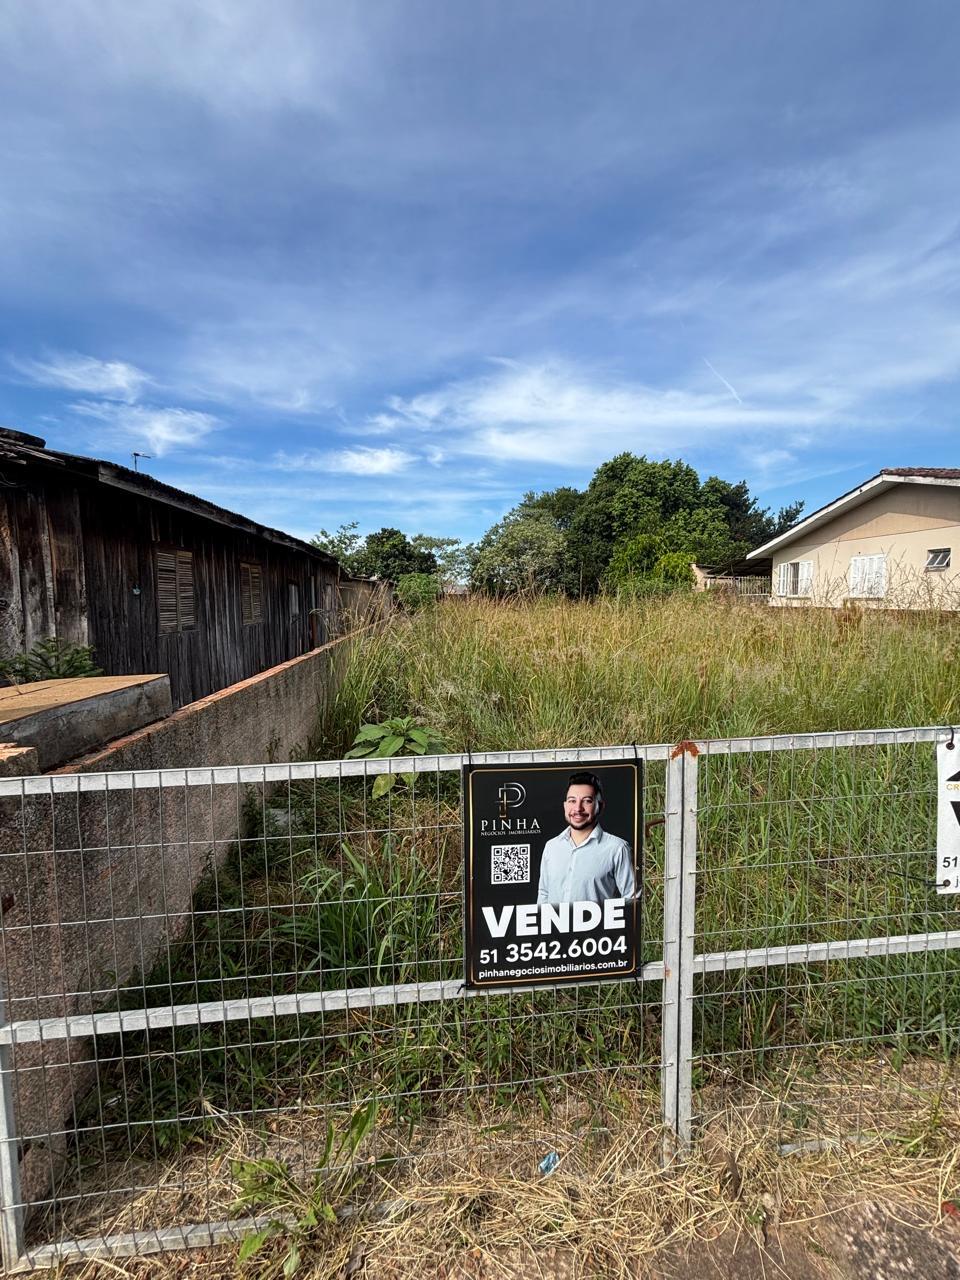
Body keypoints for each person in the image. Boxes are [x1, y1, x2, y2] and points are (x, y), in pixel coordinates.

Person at [536, 771, 635, 904]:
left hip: (599, 925)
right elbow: (544, 893)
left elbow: (632, 900)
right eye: (572, 801)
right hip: (554, 925)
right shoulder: (551, 847)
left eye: (587, 801)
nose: (578, 808)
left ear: (600, 806)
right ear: (565, 805)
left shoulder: (617, 848)